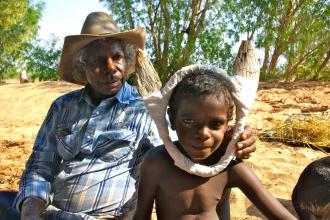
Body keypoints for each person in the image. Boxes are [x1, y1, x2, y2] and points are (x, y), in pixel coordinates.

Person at [4, 12, 255, 220]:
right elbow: (39, 166)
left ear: (126, 60)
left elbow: (180, 153)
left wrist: (229, 142)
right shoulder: (62, 107)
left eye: (117, 57)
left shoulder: (145, 107)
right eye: (99, 61)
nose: (111, 67)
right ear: (83, 67)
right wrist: (30, 213)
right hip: (51, 215)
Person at [133, 66, 296, 220]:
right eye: (189, 120)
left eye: (216, 123)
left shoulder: (231, 168)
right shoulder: (157, 163)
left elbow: (282, 216)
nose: (203, 133)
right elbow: (141, 216)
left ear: (228, 125)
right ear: (172, 119)